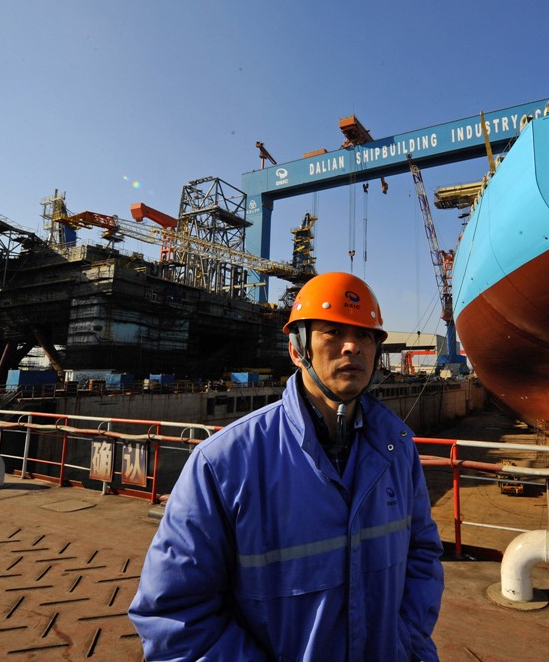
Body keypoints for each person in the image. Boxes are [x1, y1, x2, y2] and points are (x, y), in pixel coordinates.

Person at [129, 272, 445, 661]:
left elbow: (422, 555)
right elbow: (174, 615)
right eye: (333, 332)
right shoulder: (225, 462)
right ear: (297, 350)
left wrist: (404, 642)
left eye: (365, 336)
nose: (353, 348)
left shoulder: (398, 449)